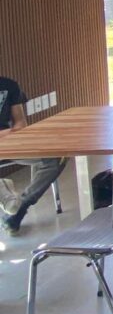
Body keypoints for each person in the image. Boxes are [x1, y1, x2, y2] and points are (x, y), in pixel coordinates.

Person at [0, 75, 66, 234]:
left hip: (8, 142)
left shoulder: (9, 85)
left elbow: (21, 122)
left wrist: (10, 133)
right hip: (6, 136)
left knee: (57, 155)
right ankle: (3, 191)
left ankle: (20, 207)